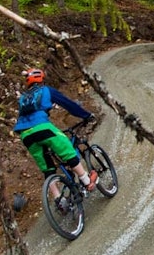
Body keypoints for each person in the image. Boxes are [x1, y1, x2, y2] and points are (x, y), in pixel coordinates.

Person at [14, 68, 97, 202]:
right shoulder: (46, 90)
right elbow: (68, 104)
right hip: (42, 127)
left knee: (47, 168)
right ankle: (87, 181)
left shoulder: (23, 98)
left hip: (25, 135)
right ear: (41, 79)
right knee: (67, 149)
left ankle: (59, 200)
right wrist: (86, 115)